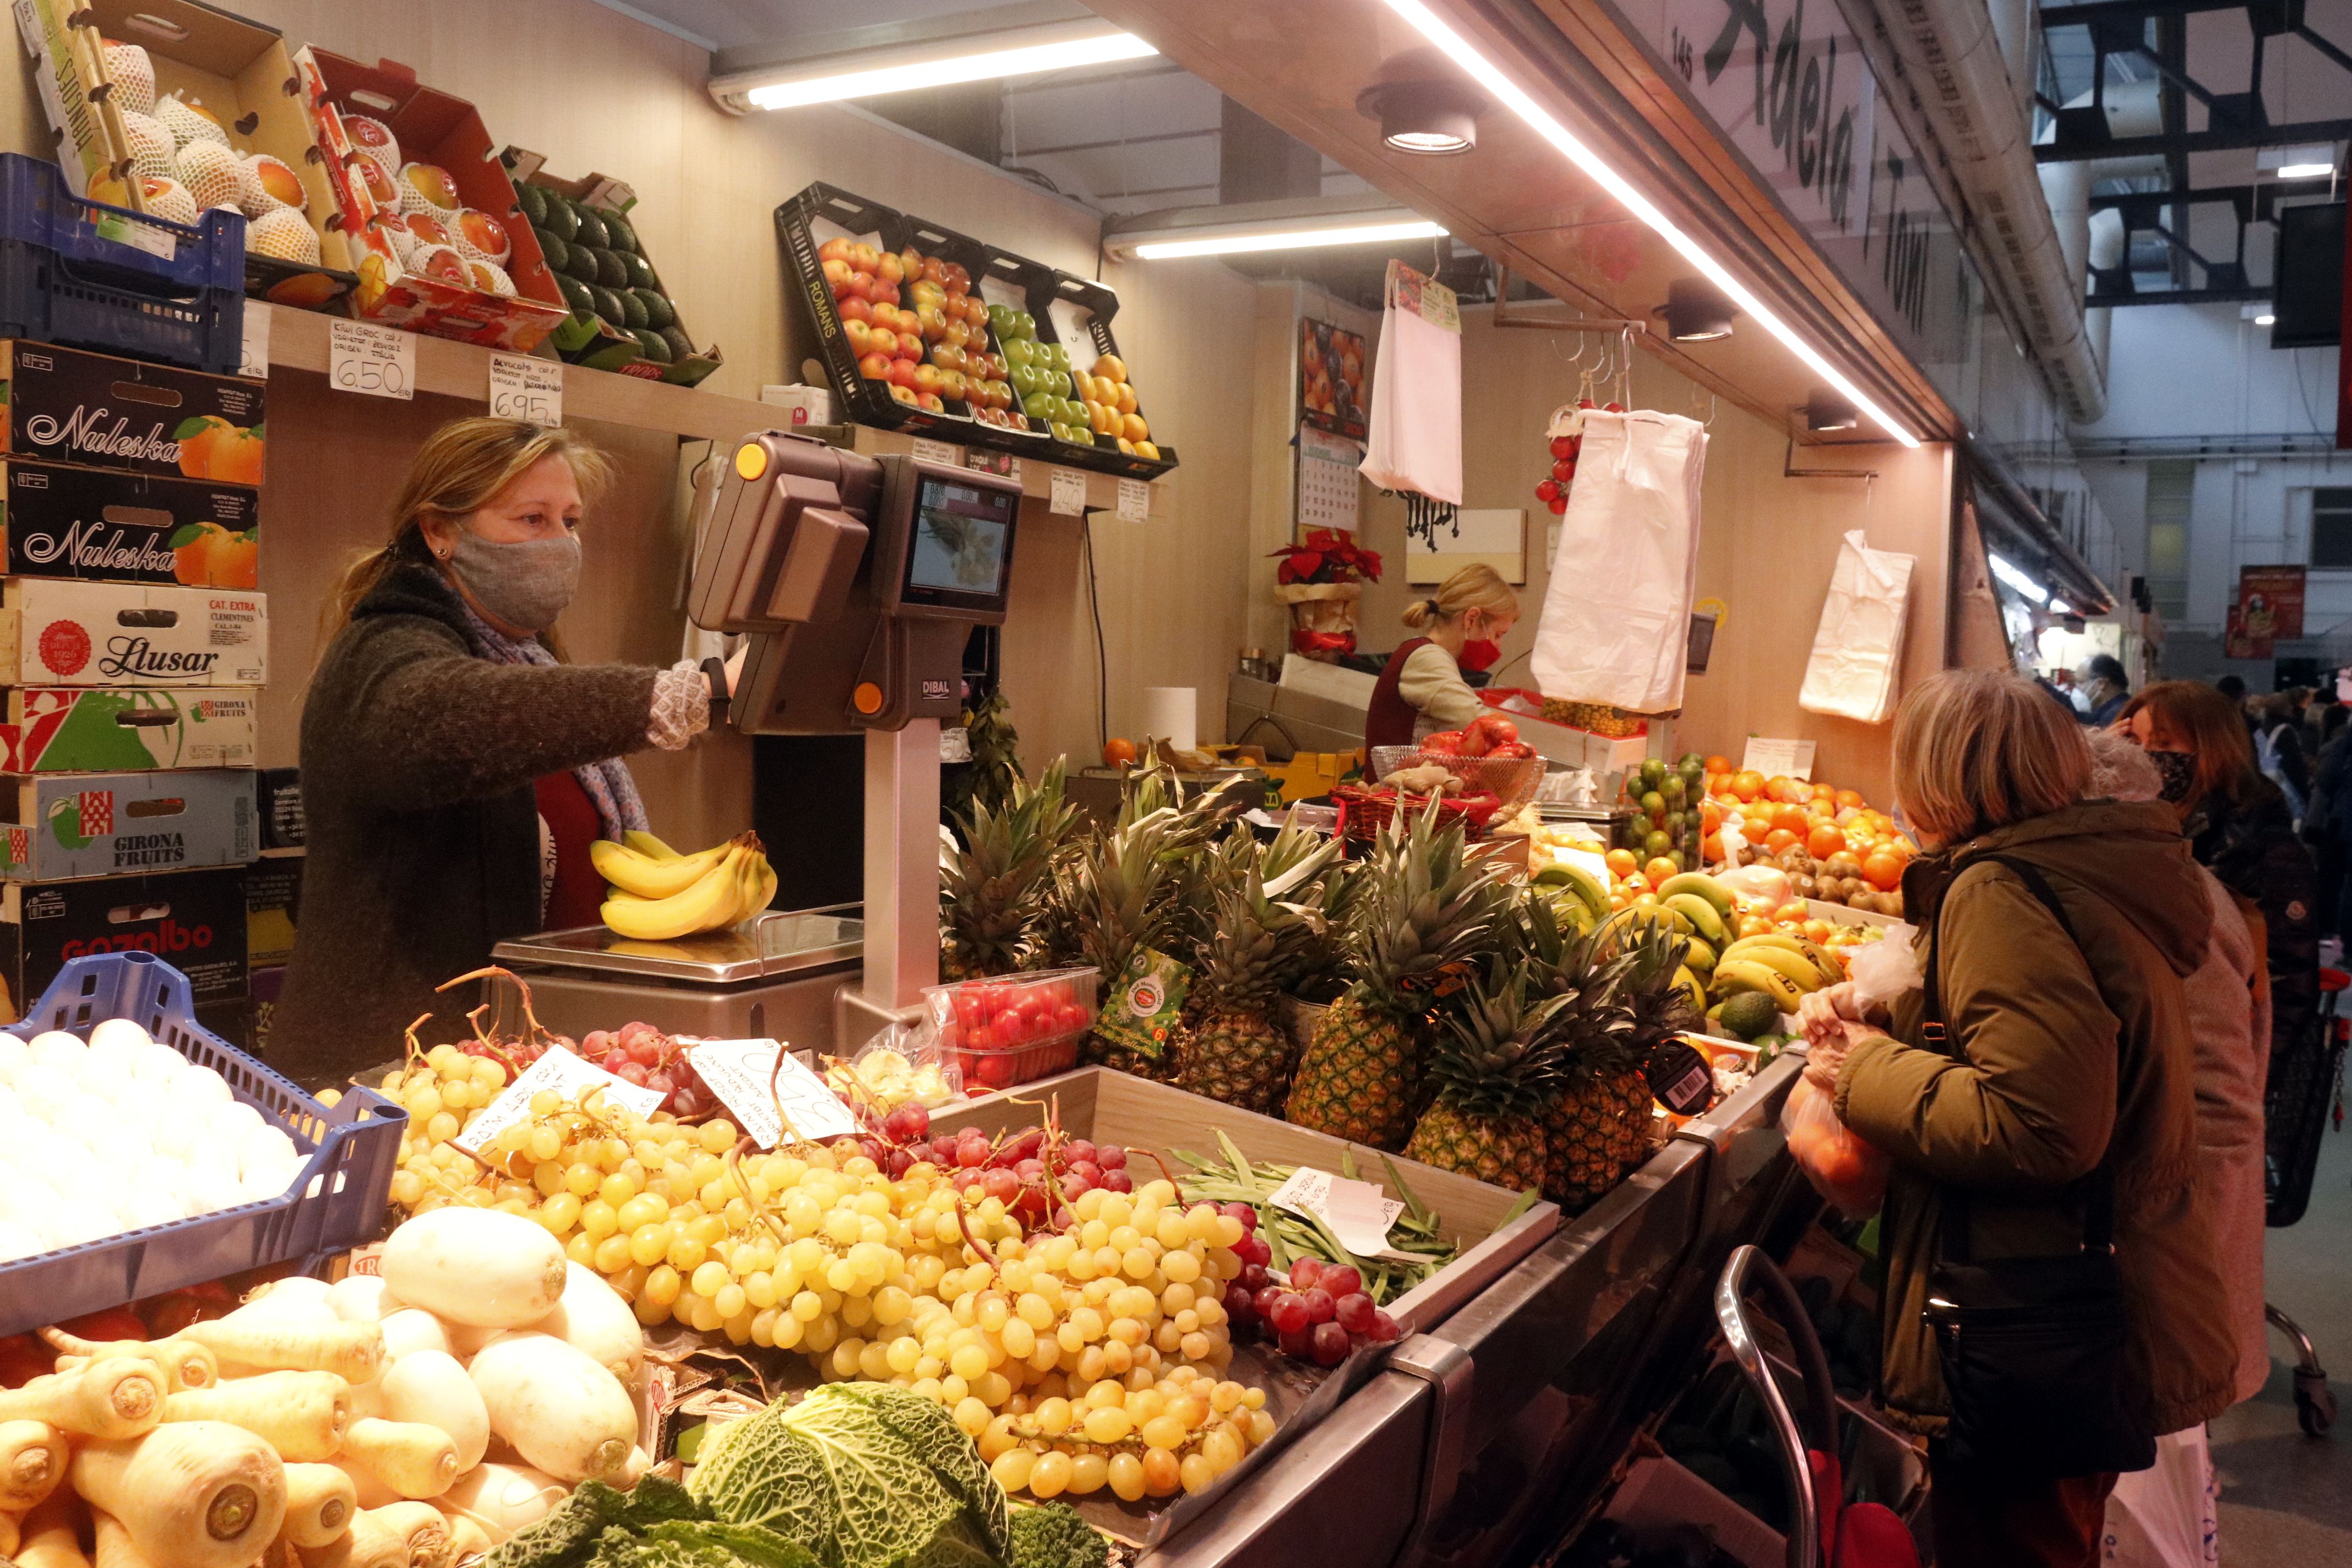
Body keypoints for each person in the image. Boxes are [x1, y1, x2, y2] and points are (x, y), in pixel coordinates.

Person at [1800, 669, 2235, 1568]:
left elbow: (2039, 1122)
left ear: (1939, 774)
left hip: (2028, 1314)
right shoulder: (2077, 865)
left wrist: (1859, 1067)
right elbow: (2058, 1036)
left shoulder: (2001, 888)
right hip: (2082, 1297)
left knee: (2019, 1542)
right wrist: (1903, 1013)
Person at [272, 418, 734, 1087]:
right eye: (532, 519)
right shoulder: (382, 652)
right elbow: (450, 719)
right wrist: (693, 694)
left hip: (508, 1065)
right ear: (440, 532)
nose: (561, 543)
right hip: (390, 1078)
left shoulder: (530, 656)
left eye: (570, 521)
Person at [2077, 730, 2266, 1566]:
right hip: (2197, 1197)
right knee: (2162, 1452)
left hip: (2177, 1211)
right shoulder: (2184, 886)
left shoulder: (2143, 898)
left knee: (2138, 1450)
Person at [2116, 680, 2318, 1115]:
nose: (2147, 755)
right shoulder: (2136, 828)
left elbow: (2291, 983)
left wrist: (2243, 1089)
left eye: (2164, 743)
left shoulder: (2263, 843)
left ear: (2211, 748)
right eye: (2136, 741)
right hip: (2144, 1073)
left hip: (2210, 1084)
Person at [1363, 563, 1520, 753]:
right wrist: (1523, 749)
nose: (1499, 647)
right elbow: (1482, 723)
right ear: (1471, 619)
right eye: (1498, 634)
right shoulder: (1427, 660)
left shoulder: (1426, 653)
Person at [2250, 692, 2311, 819]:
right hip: (2285, 788)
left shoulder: (2260, 730)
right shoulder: (2285, 731)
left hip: (2264, 787)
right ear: (2285, 708)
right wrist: (2305, 794)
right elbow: (2294, 766)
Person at [2074, 652, 2131, 726]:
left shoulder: (2115, 715)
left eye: (2081, 682)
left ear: (2101, 683)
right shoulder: (2107, 709)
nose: (2077, 687)